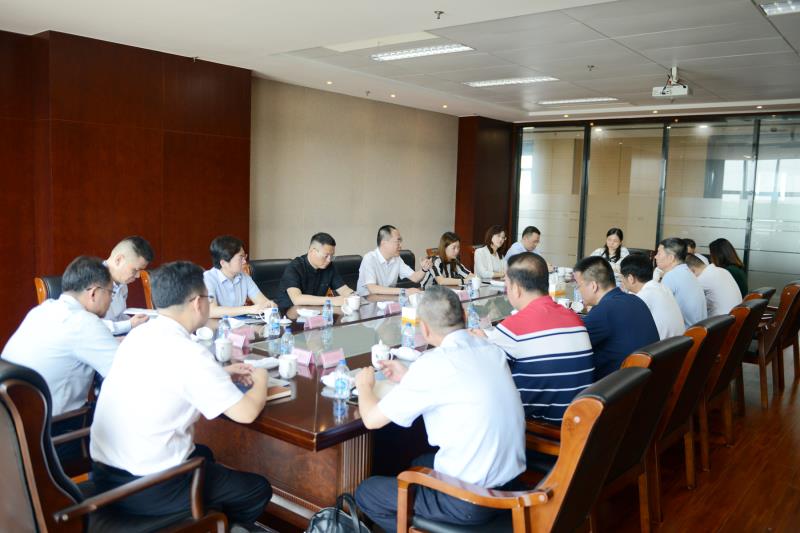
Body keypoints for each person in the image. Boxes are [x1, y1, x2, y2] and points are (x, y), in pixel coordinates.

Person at [90, 261, 272, 527]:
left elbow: (165, 376)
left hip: (105, 475)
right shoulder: (189, 354)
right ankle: (211, 526)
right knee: (257, 489)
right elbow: (247, 413)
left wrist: (220, 373)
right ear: (198, 302)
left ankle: (206, 516)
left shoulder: (139, 335)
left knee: (205, 454)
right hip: (149, 487)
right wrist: (262, 378)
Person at [354, 286, 525, 532]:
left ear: (423, 329)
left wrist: (364, 386)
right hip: (511, 486)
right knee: (419, 461)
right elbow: (460, 383)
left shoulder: (433, 364)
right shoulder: (490, 350)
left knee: (366, 492)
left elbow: (371, 420)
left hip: (470, 501)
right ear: (464, 315)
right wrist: (410, 377)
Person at [474, 252, 593, 423]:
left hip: (545, 427)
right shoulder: (574, 318)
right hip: (580, 419)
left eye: (506, 284)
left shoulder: (514, 327)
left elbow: (483, 374)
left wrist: (480, 343)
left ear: (516, 288)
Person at [2, 256, 118, 417]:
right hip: (56, 426)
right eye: (111, 293)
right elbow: (127, 373)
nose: (111, 299)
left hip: (12, 422)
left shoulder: (40, 310)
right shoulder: (84, 322)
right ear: (94, 293)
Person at [574, 256, 659, 380]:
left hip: (617, 386)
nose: (578, 290)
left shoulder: (604, 311)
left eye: (578, 285)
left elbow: (572, 345)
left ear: (593, 286)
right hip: (643, 380)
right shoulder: (635, 300)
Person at [204, 235, 276, 318]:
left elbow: (263, 302)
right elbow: (211, 311)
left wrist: (269, 305)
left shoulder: (244, 277)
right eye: (241, 258)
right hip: (217, 325)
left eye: (244, 257)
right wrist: (249, 309)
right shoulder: (208, 278)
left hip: (240, 324)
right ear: (223, 263)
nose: (245, 261)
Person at [275, 232, 354, 308]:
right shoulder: (295, 267)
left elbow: (343, 289)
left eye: (332, 256)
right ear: (312, 251)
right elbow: (297, 299)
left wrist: (353, 296)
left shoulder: (329, 267)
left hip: (315, 312)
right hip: (289, 312)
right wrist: (331, 300)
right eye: (326, 256)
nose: (329, 260)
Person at [620, 254, 686, 340]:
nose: (621, 281)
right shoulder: (661, 287)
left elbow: (625, 323)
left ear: (630, 278)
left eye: (622, 277)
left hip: (662, 347)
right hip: (678, 344)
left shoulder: (642, 297)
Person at [356, 225, 432, 296]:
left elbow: (415, 278)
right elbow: (372, 289)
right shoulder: (369, 258)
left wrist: (424, 269)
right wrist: (404, 291)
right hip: (367, 302)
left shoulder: (396, 259)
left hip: (387, 300)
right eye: (397, 241)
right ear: (384, 243)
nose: (400, 246)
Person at [103, 236, 154, 335]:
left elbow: (118, 317)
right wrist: (130, 324)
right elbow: (92, 325)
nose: (138, 276)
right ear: (118, 260)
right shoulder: (90, 281)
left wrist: (139, 323)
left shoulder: (122, 284)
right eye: (135, 270)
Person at [655, 238, 707, 328]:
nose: (655, 257)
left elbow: (659, 310)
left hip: (686, 333)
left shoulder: (671, 276)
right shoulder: (686, 271)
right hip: (698, 330)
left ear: (671, 258)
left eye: (659, 253)